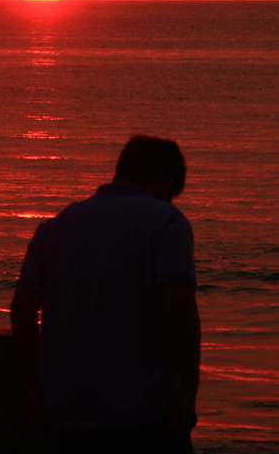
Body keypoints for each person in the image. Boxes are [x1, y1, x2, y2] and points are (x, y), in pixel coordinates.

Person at [10, 135, 200, 454]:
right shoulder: (166, 221)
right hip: (146, 414)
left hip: (72, 414)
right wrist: (188, 393)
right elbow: (179, 306)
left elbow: (22, 310)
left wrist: (34, 386)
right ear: (166, 186)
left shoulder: (53, 227)